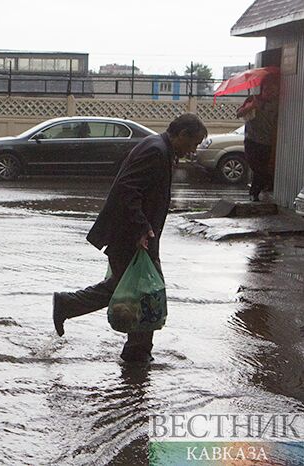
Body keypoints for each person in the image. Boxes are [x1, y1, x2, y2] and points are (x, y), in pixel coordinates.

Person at [52, 113, 207, 363]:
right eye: (194, 143)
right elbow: (127, 189)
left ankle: (70, 306)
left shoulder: (160, 148)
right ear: (182, 135)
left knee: (129, 288)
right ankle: (137, 352)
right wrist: (141, 228)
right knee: (146, 290)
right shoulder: (156, 151)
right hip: (131, 235)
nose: (194, 149)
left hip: (136, 234)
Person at [236, 73, 279, 202]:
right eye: (267, 90)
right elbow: (239, 113)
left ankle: (255, 192)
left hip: (267, 141)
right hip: (251, 140)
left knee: (261, 168)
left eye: (273, 90)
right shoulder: (253, 99)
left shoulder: (278, 103)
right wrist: (251, 106)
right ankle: (257, 190)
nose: (270, 93)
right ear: (262, 88)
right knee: (255, 166)